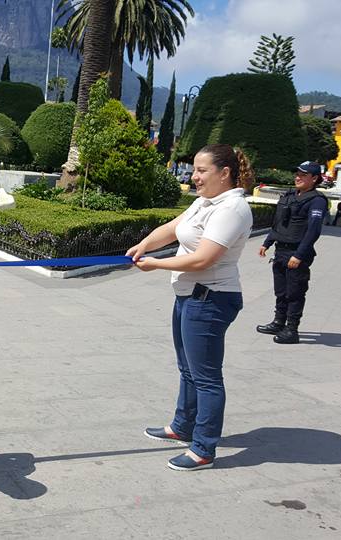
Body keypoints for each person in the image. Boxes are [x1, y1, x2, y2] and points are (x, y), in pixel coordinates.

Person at [126, 144, 253, 471]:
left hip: (212, 298)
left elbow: (204, 258)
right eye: (194, 170)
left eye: (201, 170)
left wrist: (156, 263)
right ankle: (182, 426)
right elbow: (171, 229)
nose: (193, 176)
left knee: (207, 377)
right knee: (188, 369)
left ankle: (203, 448)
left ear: (224, 174)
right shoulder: (204, 203)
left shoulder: (232, 209)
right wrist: (143, 245)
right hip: (189, 296)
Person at [256, 161, 330, 344]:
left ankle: (292, 329)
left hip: (297, 253)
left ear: (314, 178)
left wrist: (299, 255)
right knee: (280, 291)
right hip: (280, 251)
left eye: (303, 175)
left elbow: (313, 231)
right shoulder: (289, 196)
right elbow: (279, 222)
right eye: (297, 174)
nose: (298, 177)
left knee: (295, 292)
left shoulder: (317, 201)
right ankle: (279, 322)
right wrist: (267, 242)